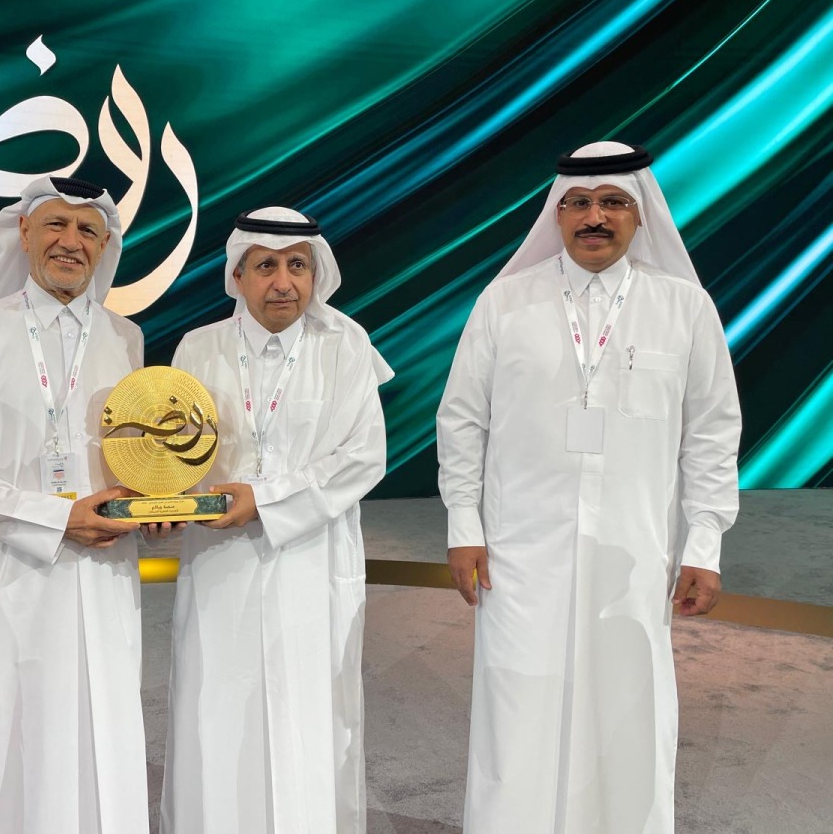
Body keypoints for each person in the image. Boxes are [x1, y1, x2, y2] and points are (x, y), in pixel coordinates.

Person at [436, 142, 741, 833]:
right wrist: (464, 526)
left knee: (628, 709)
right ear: (558, 212)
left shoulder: (684, 307)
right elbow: (461, 420)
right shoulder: (505, 302)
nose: (594, 217)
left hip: (633, 553)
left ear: (640, 215)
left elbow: (712, 432)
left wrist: (705, 544)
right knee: (518, 707)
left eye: (612, 203)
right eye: (578, 202)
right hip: (518, 551)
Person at [0, 176, 149, 834]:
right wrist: (56, 518)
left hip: (104, 575)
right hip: (13, 576)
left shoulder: (126, 337)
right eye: (56, 225)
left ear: (104, 247)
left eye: (88, 230)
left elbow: (135, 455)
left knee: (102, 732)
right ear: (23, 233)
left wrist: (152, 505)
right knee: (15, 741)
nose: (71, 241)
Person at [155, 207, 393, 833]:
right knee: (217, 708)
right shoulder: (198, 347)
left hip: (311, 558)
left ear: (317, 274)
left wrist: (265, 499)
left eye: (297, 266)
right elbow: (175, 450)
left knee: (307, 713)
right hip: (220, 561)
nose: (283, 282)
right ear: (237, 275)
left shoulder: (345, 345)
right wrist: (162, 500)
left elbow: (364, 458)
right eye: (265, 266)